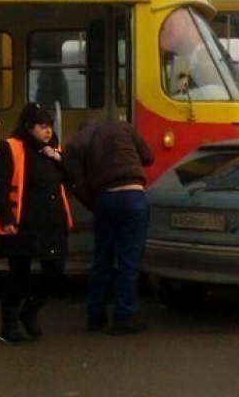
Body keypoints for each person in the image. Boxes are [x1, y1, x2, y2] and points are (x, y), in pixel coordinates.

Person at [0, 103, 73, 344]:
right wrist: (5, 218)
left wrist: (57, 157)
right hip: (22, 224)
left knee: (54, 271)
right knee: (18, 276)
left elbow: (71, 177)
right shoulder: (10, 148)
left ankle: (30, 313)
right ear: (29, 127)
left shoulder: (54, 149)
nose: (48, 132)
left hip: (52, 223)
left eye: (50, 127)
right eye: (42, 127)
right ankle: (9, 326)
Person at [64, 119, 155, 335]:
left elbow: (75, 181)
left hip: (105, 199)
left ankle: (95, 316)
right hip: (134, 198)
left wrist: (92, 203)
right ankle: (124, 317)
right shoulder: (122, 127)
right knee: (128, 261)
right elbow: (149, 157)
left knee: (102, 260)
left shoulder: (76, 143)